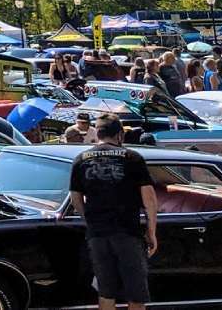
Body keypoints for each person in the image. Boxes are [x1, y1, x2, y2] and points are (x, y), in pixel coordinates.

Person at [69, 114, 159, 310]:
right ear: (119, 135)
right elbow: (149, 199)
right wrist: (151, 232)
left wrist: (89, 219)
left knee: (106, 291)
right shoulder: (133, 158)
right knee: (135, 295)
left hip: (97, 235)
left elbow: (75, 198)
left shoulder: (80, 159)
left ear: (97, 133)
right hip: (128, 233)